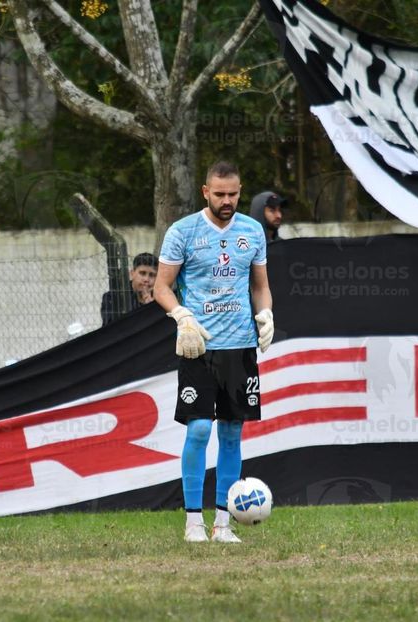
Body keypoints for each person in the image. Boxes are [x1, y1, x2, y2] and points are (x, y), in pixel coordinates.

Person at [154, 161, 274, 544]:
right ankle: (193, 522)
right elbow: (161, 286)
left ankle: (223, 523)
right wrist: (181, 315)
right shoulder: (183, 231)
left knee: (232, 433)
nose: (227, 201)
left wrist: (266, 313)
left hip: (240, 346)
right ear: (205, 191)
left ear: (240, 190)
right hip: (198, 344)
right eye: (219, 194)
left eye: (233, 194)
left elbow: (260, 286)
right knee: (200, 428)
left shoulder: (253, 231)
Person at [100, 252, 159, 325]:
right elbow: (111, 327)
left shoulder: (160, 298)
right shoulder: (113, 298)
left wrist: (152, 307)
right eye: (142, 273)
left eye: (152, 275)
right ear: (132, 274)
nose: (146, 279)